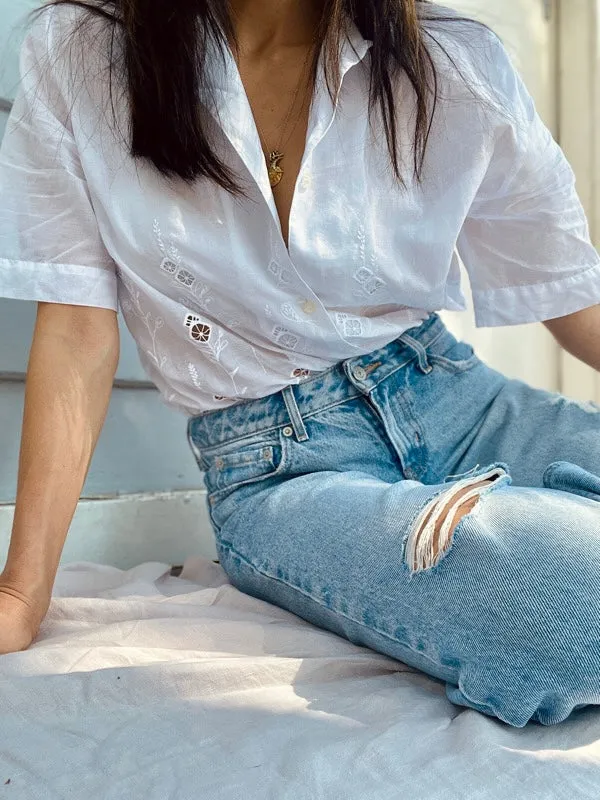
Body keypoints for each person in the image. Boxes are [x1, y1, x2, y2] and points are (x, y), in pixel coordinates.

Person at [1, 0, 600, 728]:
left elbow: (573, 297)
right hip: (285, 473)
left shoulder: (456, 61)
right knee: (579, 603)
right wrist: (21, 592)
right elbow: (75, 330)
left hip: (460, 402)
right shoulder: (82, 53)